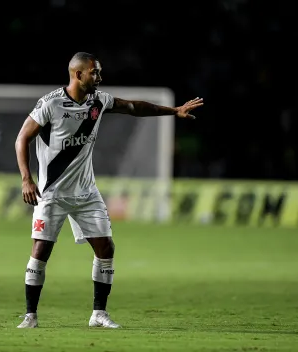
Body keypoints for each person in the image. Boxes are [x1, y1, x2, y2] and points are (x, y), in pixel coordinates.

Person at [15, 52, 203, 329]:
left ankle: (98, 314)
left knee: (106, 247)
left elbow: (133, 107)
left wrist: (173, 111)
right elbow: (22, 139)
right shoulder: (51, 104)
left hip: (86, 193)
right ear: (78, 74)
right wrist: (26, 179)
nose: (99, 78)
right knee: (40, 250)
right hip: (51, 193)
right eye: (94, 73)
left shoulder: (98, 101)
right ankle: (30, 315)